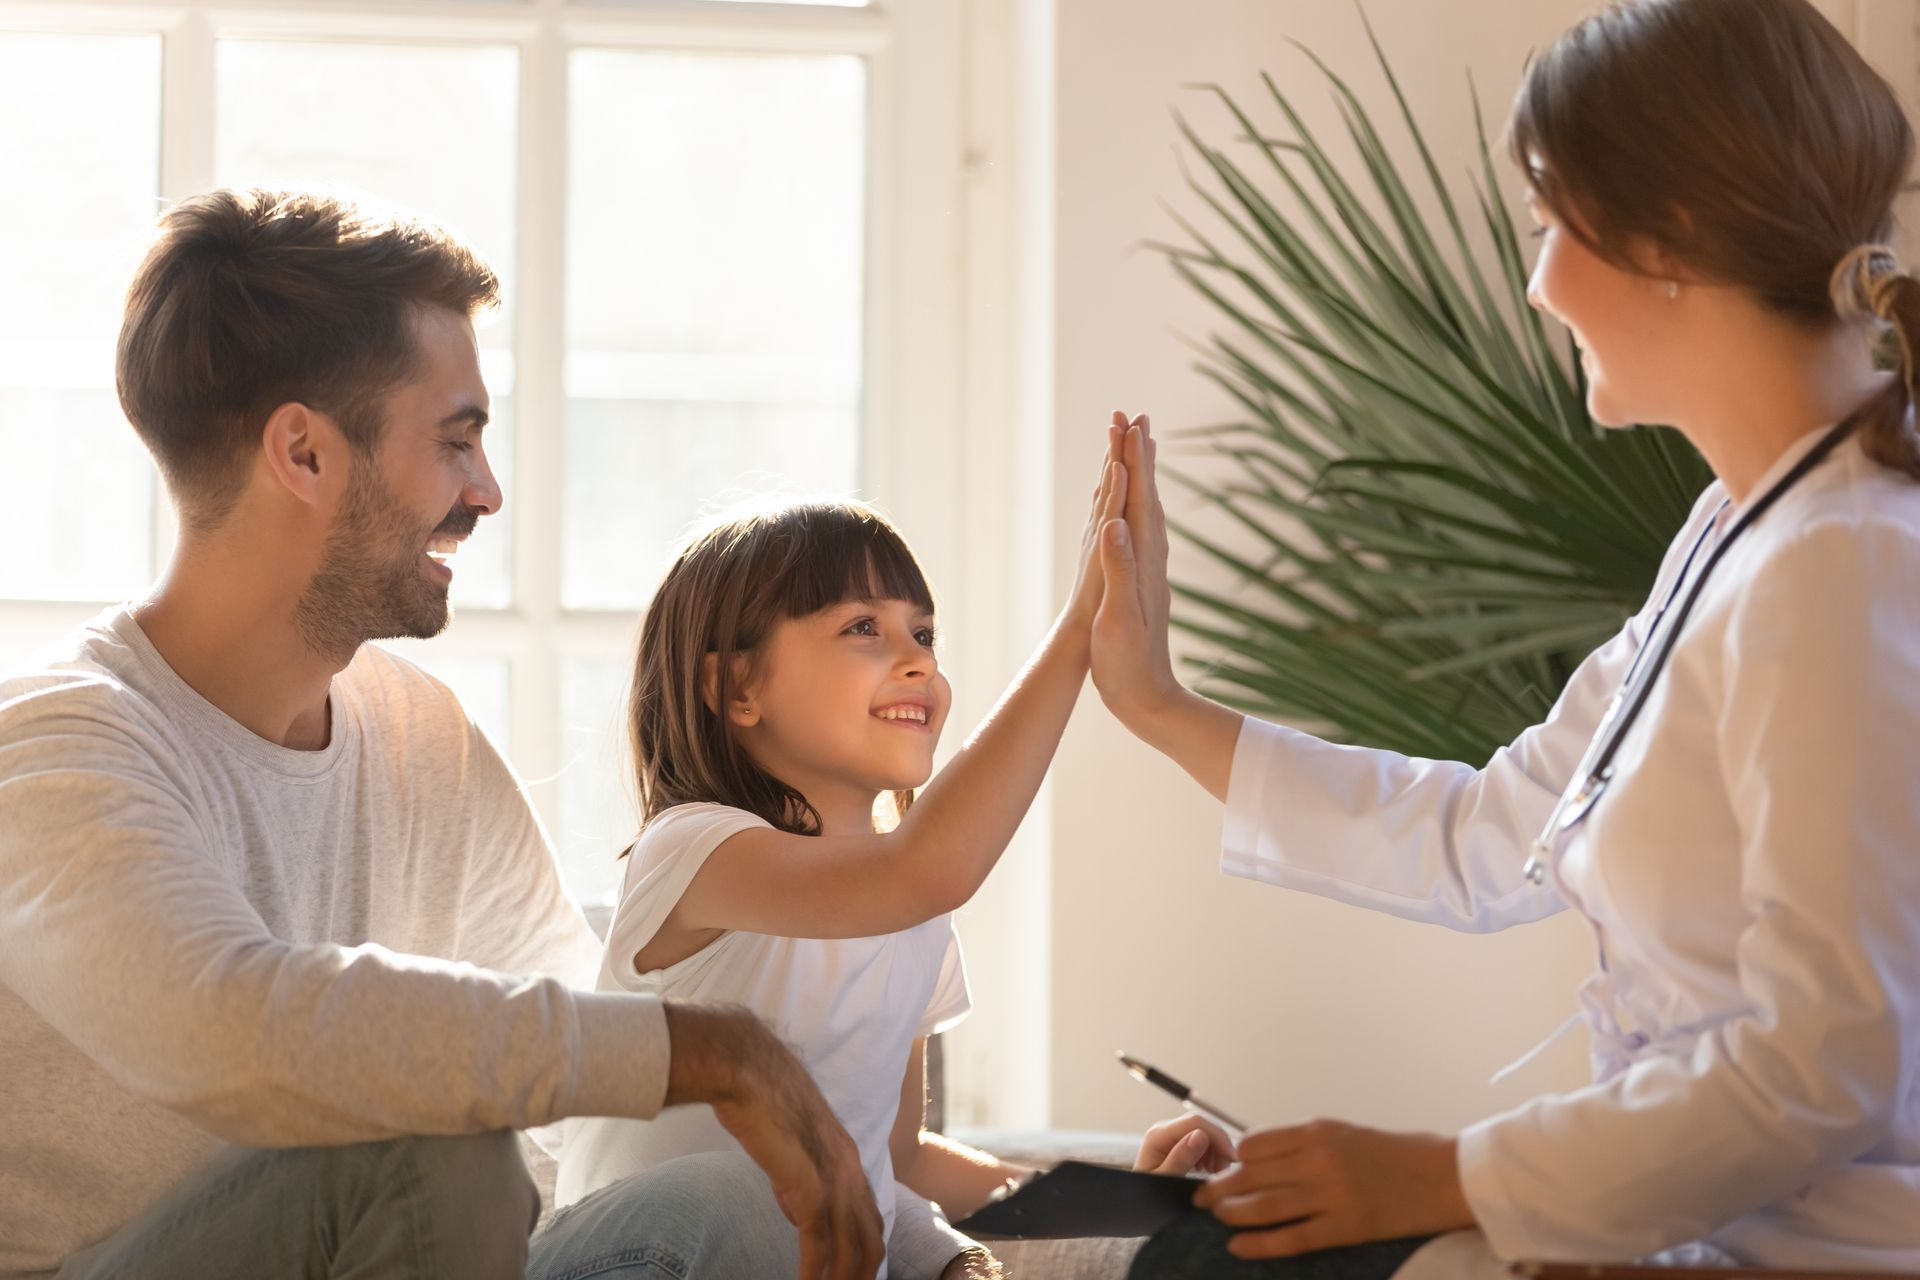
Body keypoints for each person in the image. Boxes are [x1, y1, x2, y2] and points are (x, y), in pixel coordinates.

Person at [1087, 0, 1920, 1275]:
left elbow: (1832, 1064)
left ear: (1669, 236)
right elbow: (1492, 832)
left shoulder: (1841, 561)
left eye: (1547, 229)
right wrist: (1158, 703)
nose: (1536, 284)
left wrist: (1443, 1175)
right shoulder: (1740, 527)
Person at [0, 188, 883, 1280]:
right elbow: (227, 1024)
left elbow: (576, 1077)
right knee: (426, 1144)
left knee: (733, 1203)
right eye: (456, 441)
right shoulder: (58, 744)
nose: (488, 490)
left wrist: (930, 1170)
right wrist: (714, 1047)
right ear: (305, 453)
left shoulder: (419, 735)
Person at [547, 429, 1134, 1277]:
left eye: (924, 635)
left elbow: (900, 1162)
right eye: (864, 628)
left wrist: (1130, 1198)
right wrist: (1081, 630)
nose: (915, 662)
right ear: (735, 687)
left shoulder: (914, 923)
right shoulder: (694, 853)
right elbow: (926, 869)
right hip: (641, 1258)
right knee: (755, 1194)